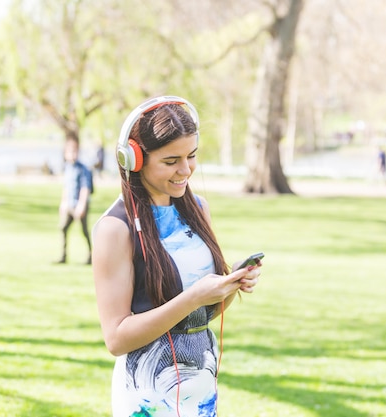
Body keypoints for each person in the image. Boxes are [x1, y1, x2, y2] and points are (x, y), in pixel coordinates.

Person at [91, 96, 262, 417]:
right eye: (171, 161)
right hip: (147, 391)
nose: (186, 170)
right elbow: (116, 338)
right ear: (134, 159)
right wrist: (193, 297)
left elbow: (203, 314)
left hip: (201, 383)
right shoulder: (115, 230)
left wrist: (230, 284)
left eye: (192, 156)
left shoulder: (198, 210)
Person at [56, 139, 92, 264]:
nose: (72, 154)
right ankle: (63, 256)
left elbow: (85, 188)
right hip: (69, 205)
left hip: (79, 205)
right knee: (63, 228)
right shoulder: (67, 168)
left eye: (75, 151)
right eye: (70, 151)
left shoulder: (83, 169)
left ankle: (91, 255)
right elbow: (66, 187)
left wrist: (81, 205)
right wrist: (63, 203)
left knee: (84, 231)